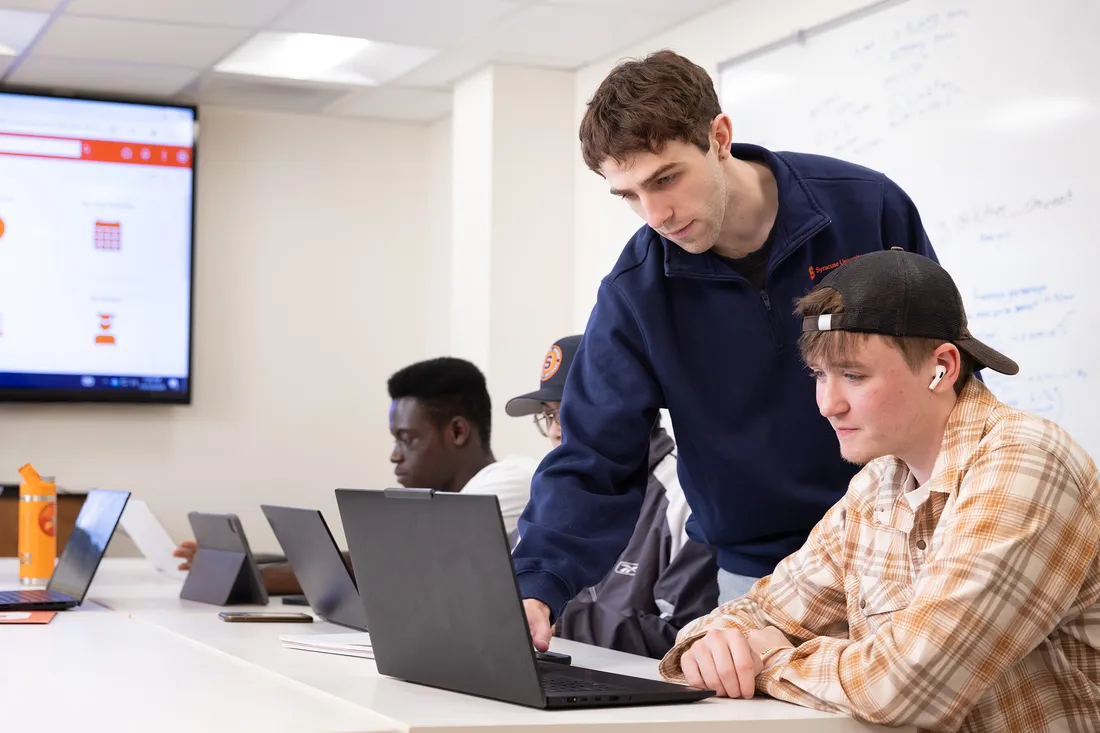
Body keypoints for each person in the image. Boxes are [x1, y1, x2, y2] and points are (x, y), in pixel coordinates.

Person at [512, 48, 939, 651]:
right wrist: (537, 582)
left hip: (906, 552)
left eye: (665, 179)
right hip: (757, 578)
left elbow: (945, 374)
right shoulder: (636, 292)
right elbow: (595, 460)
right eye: (628, 195)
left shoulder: (864, 208)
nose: (655, 214)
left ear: (719, 136)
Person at [659, 248, 1100, 732]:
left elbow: (908, 686)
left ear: (943, 368)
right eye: (820, 376)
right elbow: (761, 610)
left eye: (853, 376)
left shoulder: (1026, 462)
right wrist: (716, 642)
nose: (828, 404)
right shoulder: (877, 482)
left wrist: (765, 661)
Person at [174, 357, 536, 594]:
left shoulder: (512, 480)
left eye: (407, 440)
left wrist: (244, 575)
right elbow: (361, 558)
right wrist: (247, 559)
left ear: (457, 432)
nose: (395, 455)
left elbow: (384, 564)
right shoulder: (448, 503)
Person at [506, 335, 717, 658]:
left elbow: (688, 636)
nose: (555, 430)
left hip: (652, 697)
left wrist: (554, 614)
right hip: (564, 672)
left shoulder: (687, 493)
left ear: (627, 408)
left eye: (571, 411)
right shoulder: (549, 497)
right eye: (549, 414)